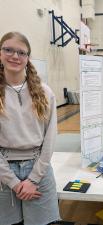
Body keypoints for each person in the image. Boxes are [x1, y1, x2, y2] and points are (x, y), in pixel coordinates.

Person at [0, 32, 60, 225]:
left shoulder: (44, 92)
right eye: (8, 50)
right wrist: (14, 182)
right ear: (0, 53)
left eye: (21, 52)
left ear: (28, 58)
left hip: (39, 169)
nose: (15, 56)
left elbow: (50, 139)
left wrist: (33, 179)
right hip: (3, 171)